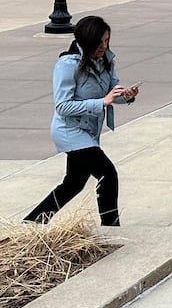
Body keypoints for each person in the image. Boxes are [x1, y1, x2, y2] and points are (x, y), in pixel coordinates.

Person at [24, 16, 138, 227]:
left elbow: (112, 94)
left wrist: (127, 95)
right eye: (100, 42)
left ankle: (31, 223)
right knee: (107, 174)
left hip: (89, 132)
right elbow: (63, 106)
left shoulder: (106, 61)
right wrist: (101, 102)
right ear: (87, 40)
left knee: (73, 184)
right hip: (69, 131)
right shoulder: (67, 65)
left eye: (107, 41)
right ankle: (110, 229)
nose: (104, 46)